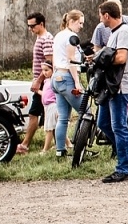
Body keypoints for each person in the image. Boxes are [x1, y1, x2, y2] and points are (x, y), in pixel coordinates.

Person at [96, 0, 128, 183]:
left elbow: (121, 57)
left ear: (107, 15)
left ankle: (123, 167)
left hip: (120, 86)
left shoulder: (124, 31)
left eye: (101, 15)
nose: (100, 19)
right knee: (103, 123)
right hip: (111, 86)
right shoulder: (114, 33)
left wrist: (101, 58)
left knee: (119, 126)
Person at [49, 10, 85, 157]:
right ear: (71, 22)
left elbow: (55, 57)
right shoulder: (71, 36)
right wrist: (77, 82)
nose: (81, 26)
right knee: (86, 112)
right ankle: (80, 146)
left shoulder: (59, 35)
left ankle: (60, 150)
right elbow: (71, 61)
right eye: (80, 23)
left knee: (63, 117)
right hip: (67, 76)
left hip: (56, 76)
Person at [18, 12, 54, 155]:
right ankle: (64, 143)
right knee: (46, 115)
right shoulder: (41, 38)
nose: (30, 29)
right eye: (28, 26)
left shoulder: (46, 39)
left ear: (41, 24)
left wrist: (39, 81)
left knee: (34, 113)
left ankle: (25, 145)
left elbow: (49, 63)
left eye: (33, 26)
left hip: (45, 83)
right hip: (42, 82)